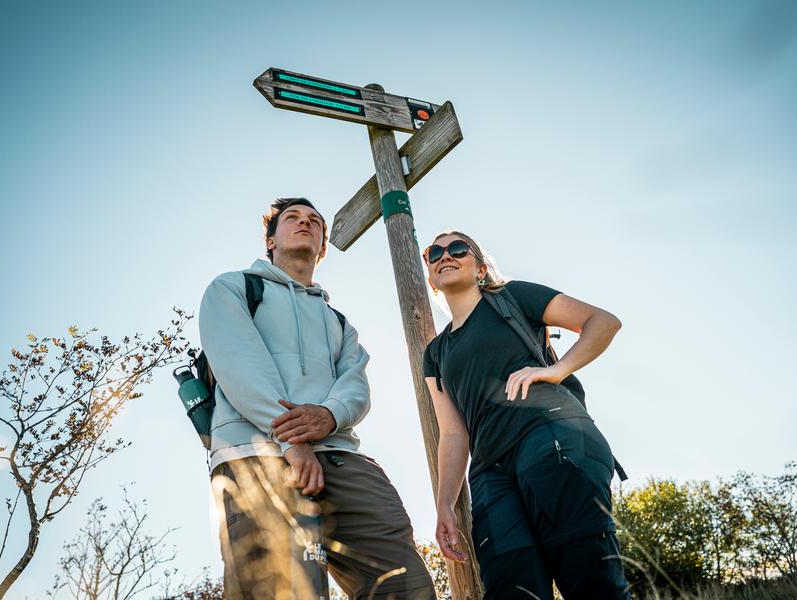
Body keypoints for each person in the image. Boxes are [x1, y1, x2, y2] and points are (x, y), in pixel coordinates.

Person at [199, 198, 436, 600]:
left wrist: (329, 414)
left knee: (405, 585)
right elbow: (241, 367)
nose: (304, 223)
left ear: (323, 246)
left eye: (315, 222)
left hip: (344, 459)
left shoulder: (338, 322)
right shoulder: (233, 288)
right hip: (255, 456)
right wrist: (293, 443)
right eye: (292, 218)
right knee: (282, 591)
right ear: (270, 240)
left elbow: (355, 385)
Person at [422, 230, 631, 599]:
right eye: (433, 252)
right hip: (491, 474)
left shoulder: (512, 296)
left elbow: (603, 322)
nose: (445, 255)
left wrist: (557, 369)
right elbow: (453, 434)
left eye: (457, 248)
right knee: (511, 589)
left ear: (481, 268)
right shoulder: (435, 353)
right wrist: (444, 505)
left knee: (591, 583)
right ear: (430, 274)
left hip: (552, 436)